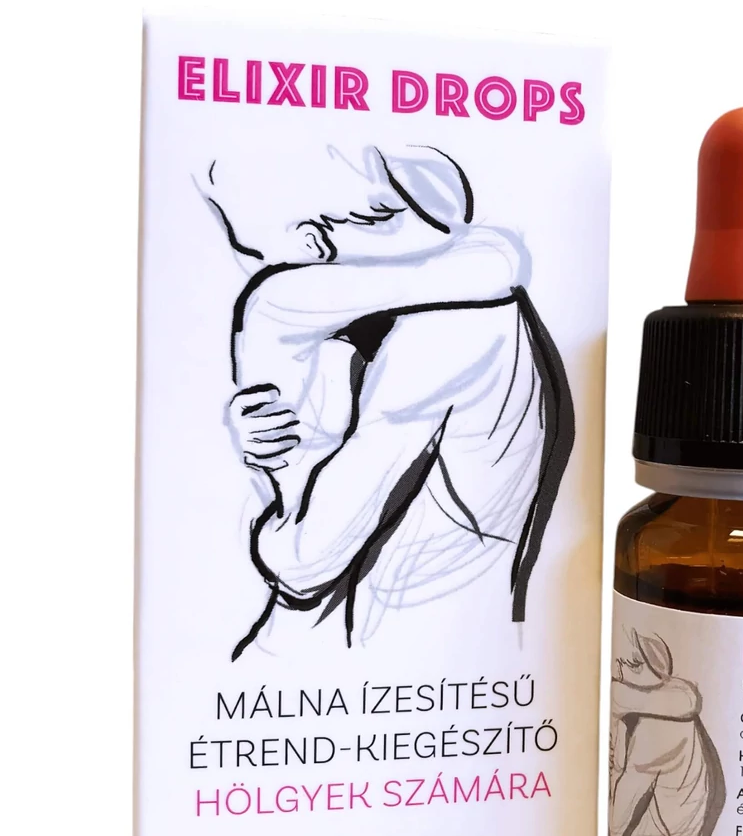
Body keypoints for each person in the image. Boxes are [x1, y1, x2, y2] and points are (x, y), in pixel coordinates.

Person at [205, 144, 575, 658]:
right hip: (413, 643)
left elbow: (306, 561)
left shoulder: (442, 332)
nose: (280, 270)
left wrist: (270, 528)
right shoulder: (422, 321)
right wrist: (267, 432)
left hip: (385, 645)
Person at [608, 628, 726, 836]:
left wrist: (618, 758)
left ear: (640, 665)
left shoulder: (656, 728)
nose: (618, 673)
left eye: (624, 664)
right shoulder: (675, 709)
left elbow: (617, 824)